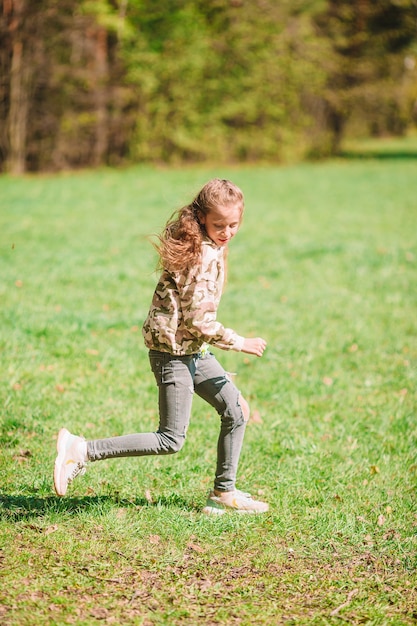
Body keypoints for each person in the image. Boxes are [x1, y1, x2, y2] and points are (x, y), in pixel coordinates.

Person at [54, 178, 268, 515]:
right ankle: (81, 450)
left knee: (236, 410)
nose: (227, 232)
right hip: (174, 354)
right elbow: (199, 321)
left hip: (192, 350)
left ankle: (223, 493)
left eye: (234, 224)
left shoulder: (208, 245)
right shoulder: (202, 255)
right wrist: (240, 342)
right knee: (170, 439)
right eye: (219, 225)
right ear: (201, 218)